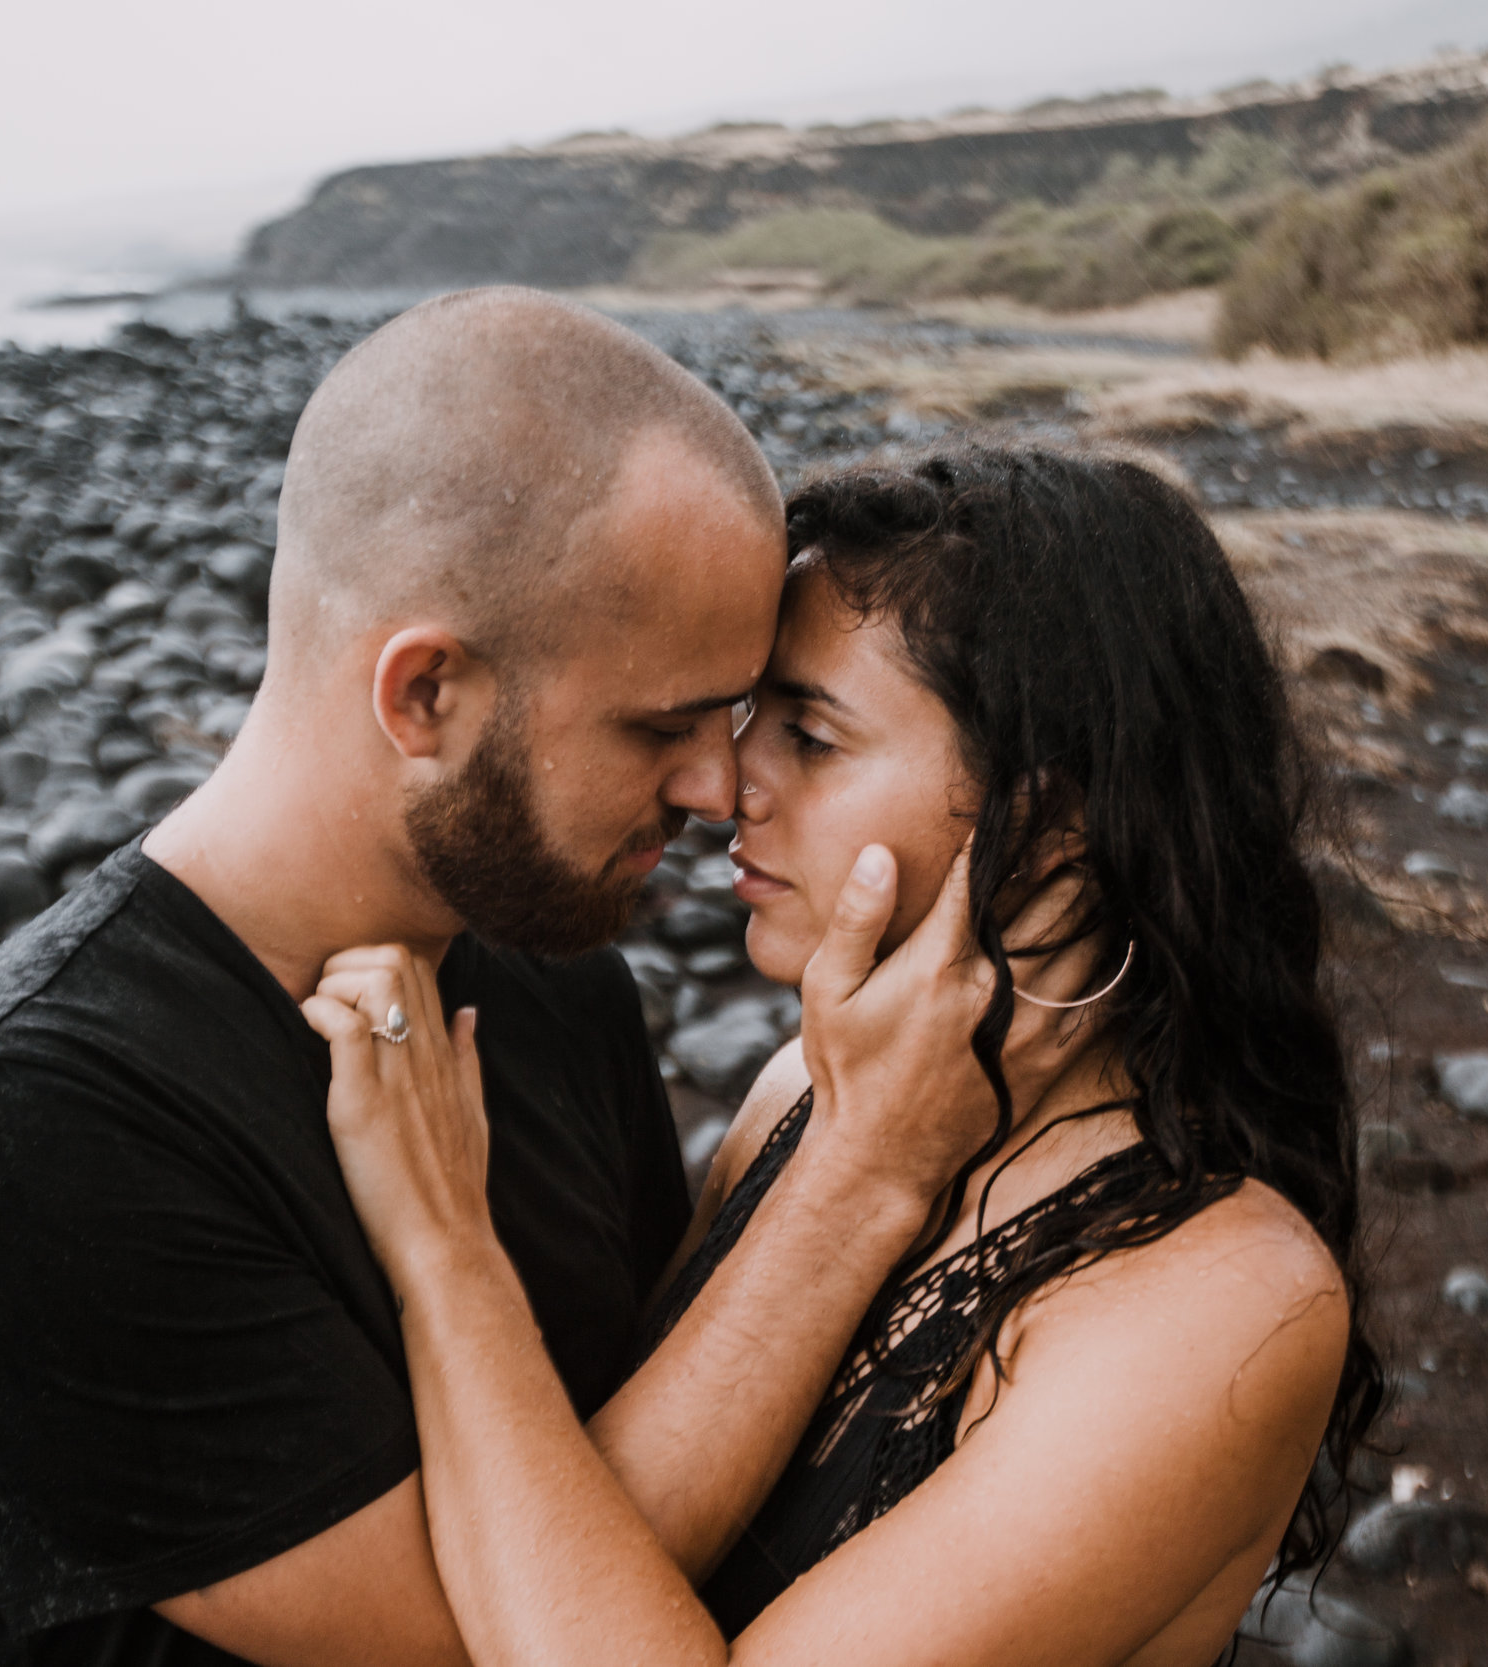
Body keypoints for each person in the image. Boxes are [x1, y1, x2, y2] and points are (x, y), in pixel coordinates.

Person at [0, 292, 1095, 1667]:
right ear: (424, 692)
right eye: (663, 725)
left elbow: (634, 1465)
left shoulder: (558, 988)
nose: (720, 788)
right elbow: (485, 1628)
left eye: (737, 719)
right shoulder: (8, 1119)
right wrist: (864, 1165)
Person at [306, 446, 1386, 1667]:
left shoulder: (1218, 1299)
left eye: (810, 737)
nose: (725, 786)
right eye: (744, 719)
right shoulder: (799, 1095)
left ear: (1054, 828)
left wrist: (446, 1250)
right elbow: (599, 1536)